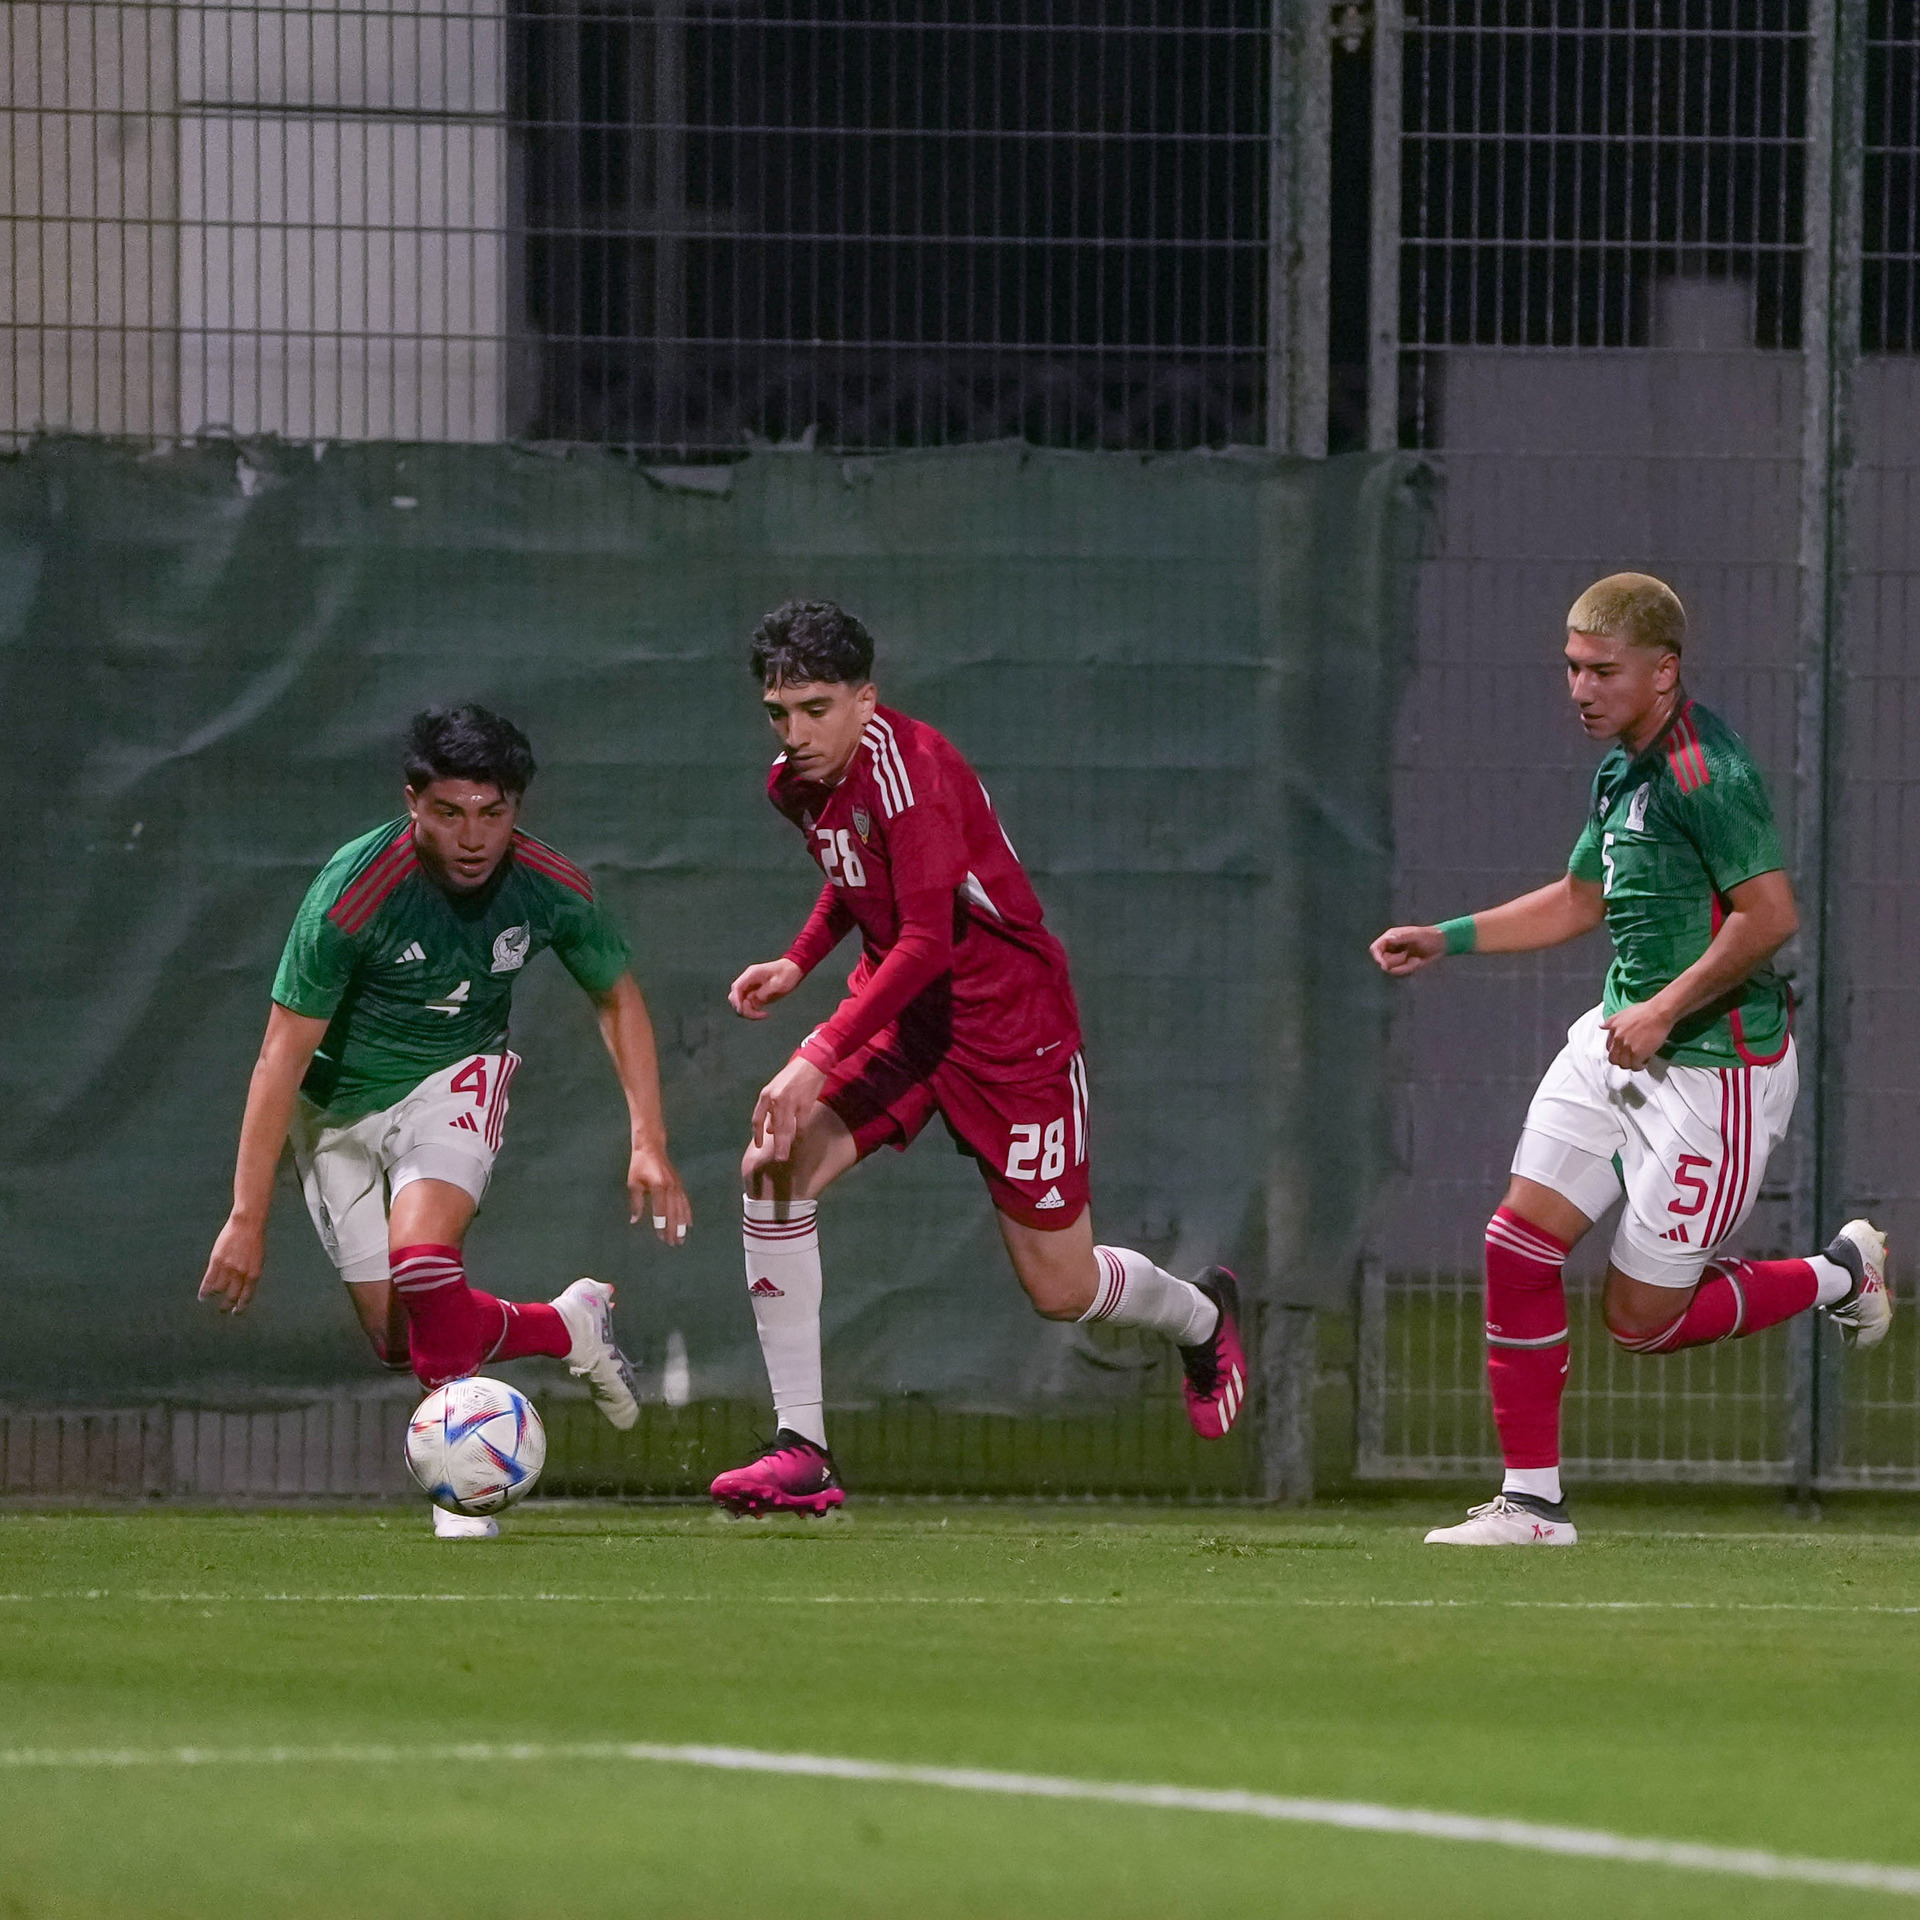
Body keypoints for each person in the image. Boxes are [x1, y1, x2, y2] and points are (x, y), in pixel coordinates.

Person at [1371, 574, 1890, 1546]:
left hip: (1715, 1073)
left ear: (1663, 671)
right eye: (1572, 668)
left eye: (1602, 671)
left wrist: (1663, 1008)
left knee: (1643, 1320)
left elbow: (1770, 917)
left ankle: (1838, 1274)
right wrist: (1449, 937)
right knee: (1516, 1246)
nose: (1581, 689)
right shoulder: (1622, 766)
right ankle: (1532, 1506)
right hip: (1619, 1043)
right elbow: (1581, 899)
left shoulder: (1706, 771)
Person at [708, 600, 1246, 1515]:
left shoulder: (914, 775)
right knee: (772, 1166)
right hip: (906, 1019)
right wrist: (799, 960)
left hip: (1009, 1032)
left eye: (816, 709)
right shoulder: (798, 782)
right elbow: (856, 876)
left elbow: (926, 937)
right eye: (778, 712)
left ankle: (1201, 1315)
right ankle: (803, 1449)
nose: (795, 734)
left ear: (866, 699)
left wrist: (815, 1053)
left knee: (1061, 1287)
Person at [198, 705, 691, 1537]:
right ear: (412, 803)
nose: (472, 838)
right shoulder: (354, 894)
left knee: (424, 1261)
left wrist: (650, 1140)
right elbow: (280, 1058)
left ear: (516, 810)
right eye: (449, 813)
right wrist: (248, 1216)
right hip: (335, 1109)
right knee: (401, 1339)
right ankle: (567, 1326)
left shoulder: (548, 886)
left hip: (454, 1077)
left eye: (492, 814)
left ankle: (462, 1491)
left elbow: (617, 996)